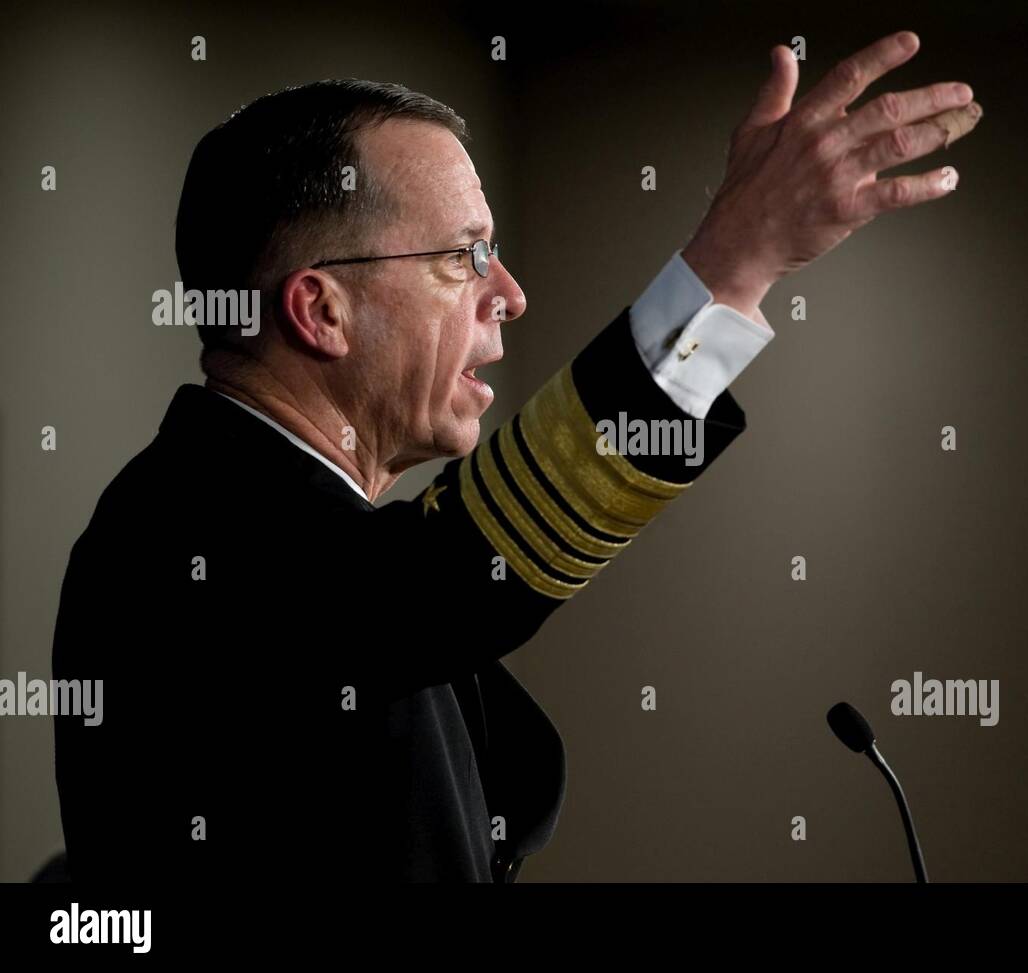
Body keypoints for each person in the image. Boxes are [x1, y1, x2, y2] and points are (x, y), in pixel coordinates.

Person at [52, 31, 977, 882]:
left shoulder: (304, 529)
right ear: (321, 310)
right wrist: (731, 266)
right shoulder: (192, 523)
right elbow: (456, 573)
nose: (510, 292)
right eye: (465, 256)